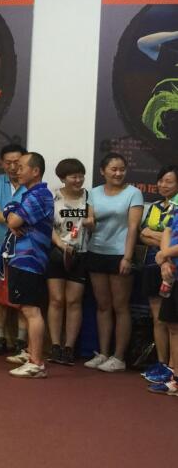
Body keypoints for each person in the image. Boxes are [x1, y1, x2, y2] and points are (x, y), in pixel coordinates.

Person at [83, 152, 144, 373]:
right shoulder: (94, 192)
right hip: (96, 251)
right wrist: (87, 222)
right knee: (103, 306)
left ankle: (119, 357)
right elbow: (90, 219)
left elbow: (133, 227)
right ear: (103, 171)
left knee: (120, 306)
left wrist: (127, 257)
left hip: (120, 254)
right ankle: (103, 353)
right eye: (113, 169)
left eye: (122, 169)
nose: (118, 173)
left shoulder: (133, 193)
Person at [2, 152, 54, 378]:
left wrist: (11, 214)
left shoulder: (39, 194)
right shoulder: (30, 194)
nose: (16, 170)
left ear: (35, 171)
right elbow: (11, 216)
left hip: (30, 259)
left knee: (32, 310)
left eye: (21, 166)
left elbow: (14, 220)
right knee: (26, 308)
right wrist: (11, 213)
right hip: (22, 258)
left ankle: (36, 363)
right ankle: (30, 352)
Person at [45, 158, 95, 366]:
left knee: (74, 301)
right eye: (74, 176)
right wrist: (61, 245)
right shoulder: (53, 196)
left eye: (81, 176)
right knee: (56, 300)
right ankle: (55, 345)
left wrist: (90, 222)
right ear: (63, 178)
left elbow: (92, 220)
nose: (78, 180)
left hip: (80, 254)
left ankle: (69, 347)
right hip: (57, 253)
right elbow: (48, 227)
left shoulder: (88, 196)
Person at [0, 144, 29, 357]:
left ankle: (21, 341)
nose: (13, 167)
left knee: (23, 298)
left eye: (17, 163)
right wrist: (10, 222)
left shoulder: (31, 184)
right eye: (8, 163)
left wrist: (17, 224)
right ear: (2, 163)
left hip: (24, 251)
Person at [137, 165, 178, 383]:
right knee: (158, 318)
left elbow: (169, 237)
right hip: (152, 265)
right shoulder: (154, 206)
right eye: (161, 181)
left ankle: (173, 367)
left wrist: (158, 240)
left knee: (172, 320)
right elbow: (142, 234)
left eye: (169, 181)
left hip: (172, 268)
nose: (163, 185)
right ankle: (162, 364)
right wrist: (158, 238)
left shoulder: (177, 207)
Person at [150, 198, 178, 395]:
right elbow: (168, 230)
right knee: (173, 327)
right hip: (173, 276)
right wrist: (165, 259)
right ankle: (175, 379)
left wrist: (163, 253)